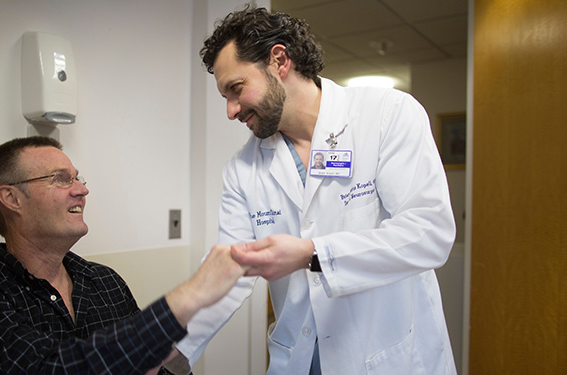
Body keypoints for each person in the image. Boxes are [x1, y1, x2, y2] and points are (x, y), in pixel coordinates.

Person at [171, 6, 457, 375]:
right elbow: (233, 269)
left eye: (236, 89)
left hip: (388, 356)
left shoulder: (386, 114)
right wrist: (174, 353)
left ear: (279, 60)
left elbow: (429, 234)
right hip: (301, 360)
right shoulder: (243, 169)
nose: (230, 110)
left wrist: (313, 253)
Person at [0, 136, 246, 375]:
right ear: (11, 198)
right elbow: (50, 370)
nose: (81, 189)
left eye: (78, 178)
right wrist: (187, 299)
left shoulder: (104, 282)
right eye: (60, 179)